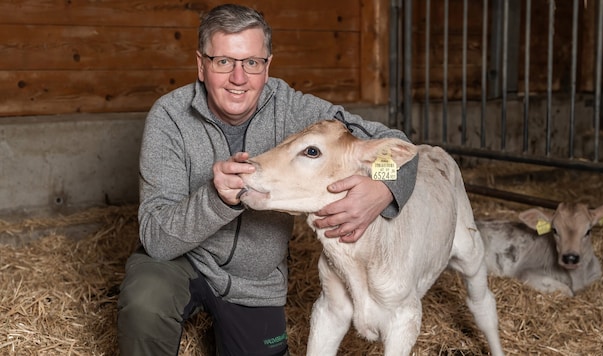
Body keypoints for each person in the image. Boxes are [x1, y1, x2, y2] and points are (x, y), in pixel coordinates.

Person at [117, 3, 418, 356]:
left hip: (255, 282)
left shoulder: (296, 110)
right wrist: (216, 198)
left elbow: (402, 149)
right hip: (181, 262)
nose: (239, 78)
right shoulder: (169, 118)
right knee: (145, 300)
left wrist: (382, 188)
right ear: (201, 65)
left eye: (252, 63)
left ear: (267, 65)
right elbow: (156, 239)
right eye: (223, 61)